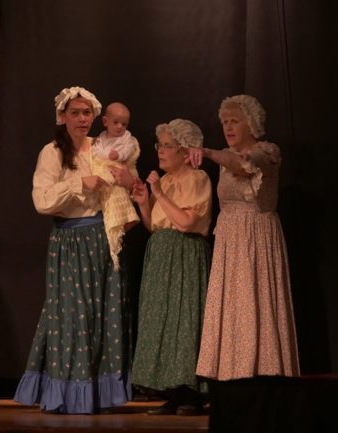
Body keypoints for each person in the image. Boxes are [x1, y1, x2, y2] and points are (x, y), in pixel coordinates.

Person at [14, 86, 133, 414]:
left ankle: (100, 395)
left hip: (102, 237)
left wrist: (126, 178)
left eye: (87, 113)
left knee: (103, 315)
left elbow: (129, 177)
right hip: (70, 240)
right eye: (76, 113)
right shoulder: (52, 152)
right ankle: (68, 393)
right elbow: (41, 200)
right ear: (63, 116)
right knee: (72, 317)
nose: (83, 119)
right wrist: (79, 183)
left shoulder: (101, 147)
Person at [191, 94, 300, 380]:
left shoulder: (268, 152)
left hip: (257, 235)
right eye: (224, 122)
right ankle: (232, 374)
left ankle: (265, 371)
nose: (228, 127)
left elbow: (243, 163)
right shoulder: (225, 159)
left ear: (250, 124)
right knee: (233, 305)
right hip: (230, 237)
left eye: (234, 121)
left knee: (257, 302)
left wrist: (210, 153)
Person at [131, 119, 212, 416]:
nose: (161, 151)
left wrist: (160, 195)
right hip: (162, 254)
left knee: (185, 319)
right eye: (160, 145)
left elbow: (188, 222)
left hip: (185, 254)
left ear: (183, 150)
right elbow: (156, 226)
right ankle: (172, 392)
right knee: (162, 320)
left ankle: (192, 392)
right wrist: (144, 202)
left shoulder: (197, 178)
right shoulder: (163, 181)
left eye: (167, 145)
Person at [91, 102, 141, 270]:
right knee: (104, 182)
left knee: (120, 192)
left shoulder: (127, 137)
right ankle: (116, 224)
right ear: (105, 121)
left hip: (121, 167)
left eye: (124, 124)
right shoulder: (101, 138)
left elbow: (130, 150)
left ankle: (125, 219)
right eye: (116, 122)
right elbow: (96, 152)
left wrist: (118, 154)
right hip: (106, 169)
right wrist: (105, 158)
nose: (120, 127)